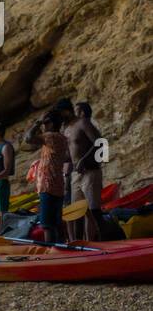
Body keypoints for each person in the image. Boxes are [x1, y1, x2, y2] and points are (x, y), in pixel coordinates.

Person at [24, 111, 68, 244]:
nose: (43, 125)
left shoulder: (50, 136)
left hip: (47, 186)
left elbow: (28, 138)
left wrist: (37, 122)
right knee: (56, 223)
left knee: (47, 225)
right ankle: (61, 249)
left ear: (52, 124)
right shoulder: (61, 137)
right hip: (58, 185)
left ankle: (50, 251)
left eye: (46, 123)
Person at [66, 101, 104, 241]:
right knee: (78, 211)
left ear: (82, 113)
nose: (74, 114)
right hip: (76, 173)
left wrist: (84, 160)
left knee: (94, 210)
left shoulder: (84, 123)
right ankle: (79, 243)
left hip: (90, 171)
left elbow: (101, 143)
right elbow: (70, 153)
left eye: (76, 110)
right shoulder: (71, 128)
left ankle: (105, 242)